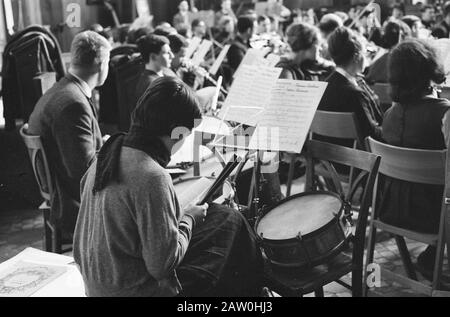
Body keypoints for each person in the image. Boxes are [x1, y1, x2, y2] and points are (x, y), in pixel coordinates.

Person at [73, 76, 263, 297]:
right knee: (232, 224)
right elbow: (162, 265)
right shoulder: (152, 176)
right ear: (175, 130)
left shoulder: (106, 155)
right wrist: (189, 219)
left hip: (99, 284)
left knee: (222, 216)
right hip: (138, 291)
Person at [27, 31, 111, 238]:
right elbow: (83, 171)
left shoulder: (62, 90)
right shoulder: (73, 104)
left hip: (63, 196)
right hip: (75, 206)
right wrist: (113, 151)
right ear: (101, 64)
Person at [379, 39, 450, 275]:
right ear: (430, 70)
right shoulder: (444, 114)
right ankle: (433, 257)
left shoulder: (389, 114)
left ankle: (432, 256)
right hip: (434, 218)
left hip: (391, 211)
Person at [318, 27, 383, 142]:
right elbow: (372, 134)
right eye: (365, 52)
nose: (367, 57)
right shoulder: (354, 93)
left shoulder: (322, 86)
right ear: (356, 56)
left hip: (328, 154)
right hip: (354, 157)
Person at [134, 34, 174, 105]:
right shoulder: (152, 85)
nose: (172, 56)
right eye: (167, 53)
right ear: (153, 57)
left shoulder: (163, 74)